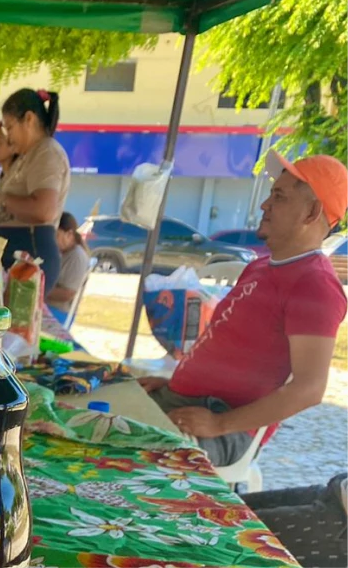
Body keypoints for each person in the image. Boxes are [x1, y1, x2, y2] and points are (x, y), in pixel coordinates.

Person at [139, 151, 348, 467]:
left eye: (279, 197)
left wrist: (220, 424)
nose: (265, 204)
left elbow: (310, 388)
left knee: (120, 459)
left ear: (312, 212)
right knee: (79, 415)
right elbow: (229, 349)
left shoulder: (315, 283)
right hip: (185, 401)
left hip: (222, 423)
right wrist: (174, 382)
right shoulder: (262, 266)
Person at [0, 88, 71, 290]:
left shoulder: (47, 152)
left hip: (32, 254)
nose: (9, 138)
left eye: (10, 127)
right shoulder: (28, 156)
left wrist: (2, 200)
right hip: (16, 255)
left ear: (29, 119)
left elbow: (44, 211)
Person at [46, 212, 90, 324]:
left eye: (56, 236)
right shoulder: (62, 253)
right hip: (48, 307)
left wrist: (39, 289)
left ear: (69, 234)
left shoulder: (77, 256)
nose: (52, 241)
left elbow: (67, 294)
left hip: (58, 312)